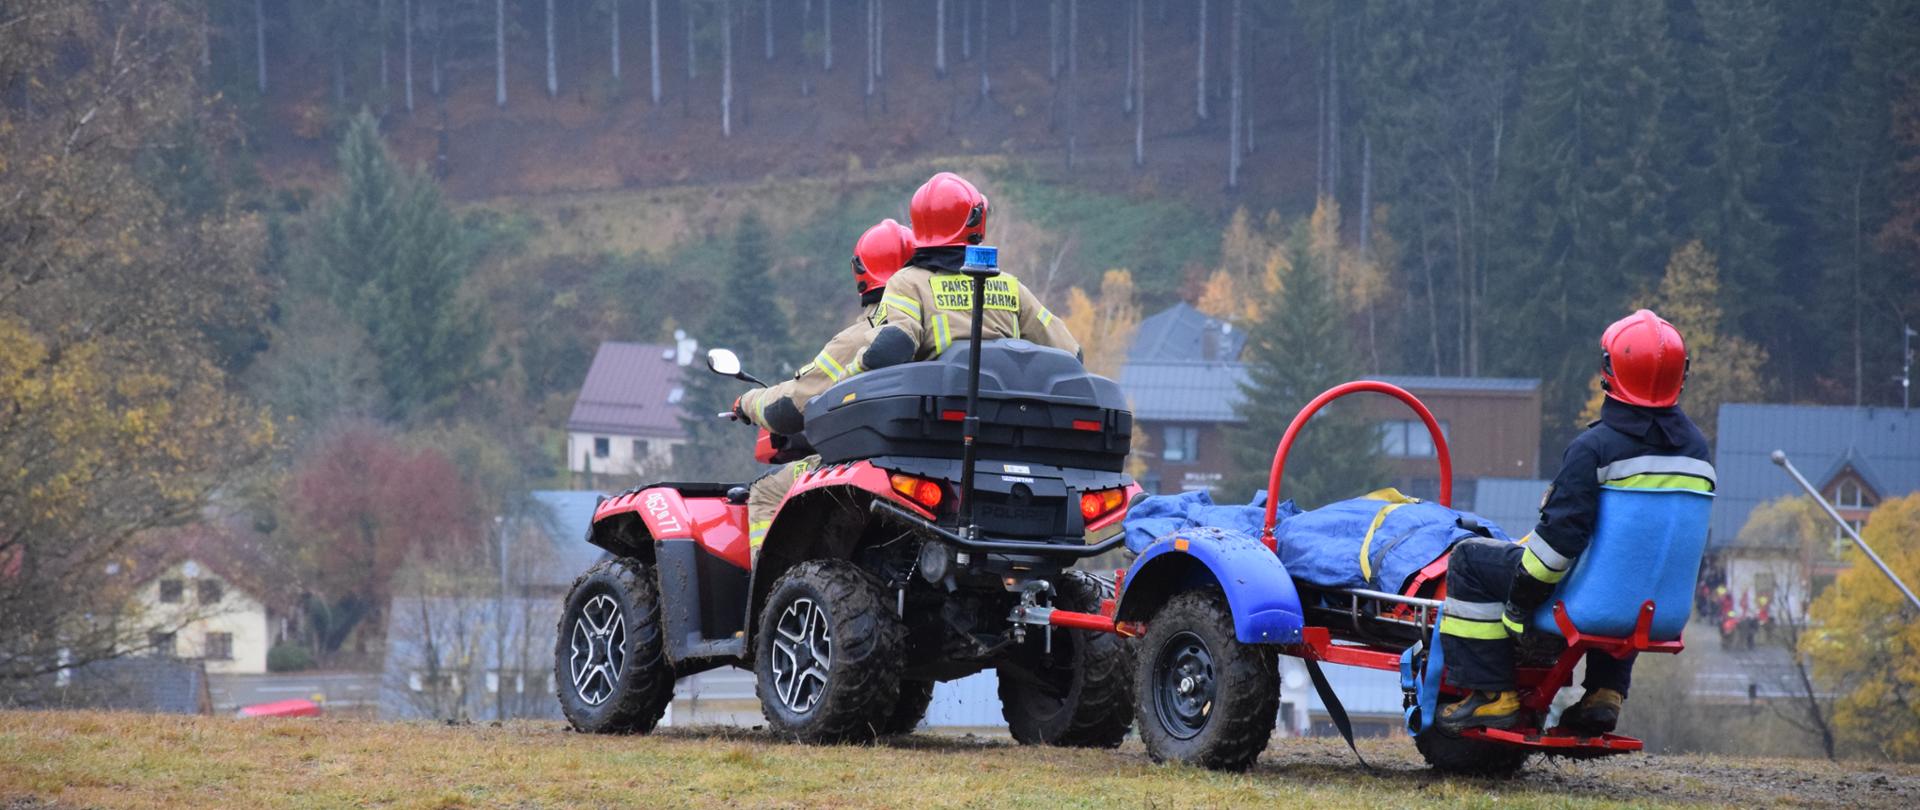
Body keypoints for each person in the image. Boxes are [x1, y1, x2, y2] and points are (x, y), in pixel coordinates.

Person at [1436, 309, 1715, 736]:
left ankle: (1493, 695)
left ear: (1610, 370)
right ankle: (1605, 691)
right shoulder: (1697, 451)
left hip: (1587, 604)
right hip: (1658, 611)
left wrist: (1519, 602)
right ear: (1681, 375)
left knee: (1469, 560)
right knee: (1628, 568)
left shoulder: (1594, 449)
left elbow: (1557, 545)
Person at [733, 219, 916, 553]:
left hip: (869, 458)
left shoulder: (862, 336)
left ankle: (772, 584)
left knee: (767, 492)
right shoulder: (943, 325)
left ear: (861, 273)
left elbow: (791, 407)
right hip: (935, 458)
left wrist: (747, 403)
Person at [855, 172, 1078, 371]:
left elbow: (892, 346)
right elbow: (1071, 352)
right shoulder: (1010, 285)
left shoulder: (906, 283)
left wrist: (849, 375)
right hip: (1008, 402)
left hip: (938, 401)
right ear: (975, 221)